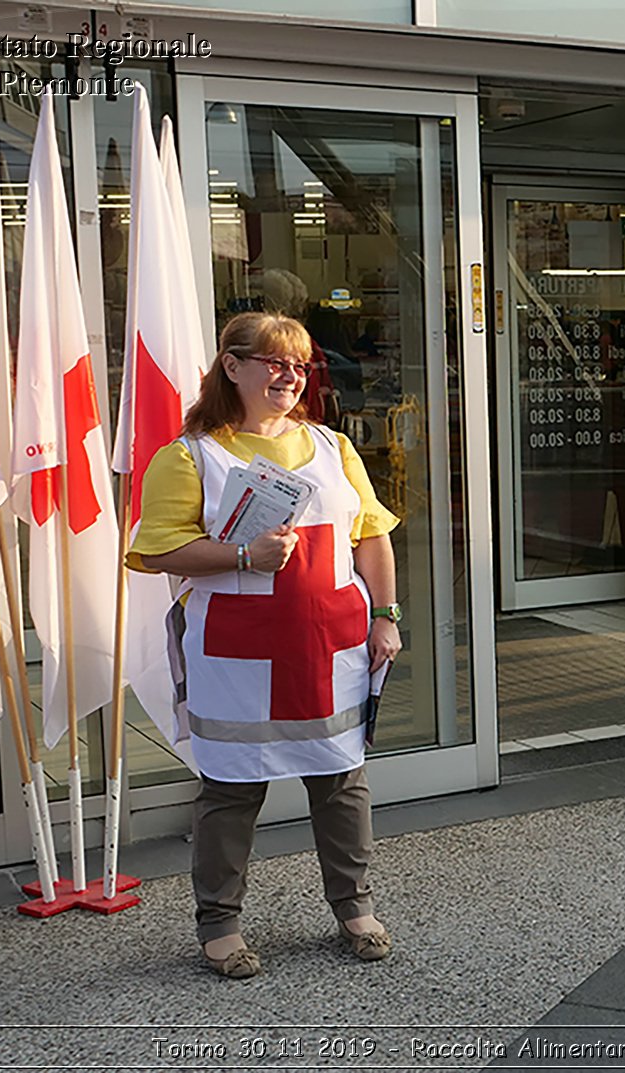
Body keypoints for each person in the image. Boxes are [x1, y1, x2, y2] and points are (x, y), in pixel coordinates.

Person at [128, 311, 402, 978]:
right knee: (230, 790)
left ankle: (354, 908)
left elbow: (370, 535)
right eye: (274, 361)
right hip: (238, 657)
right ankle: (218, 923)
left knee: (341, 782)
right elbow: (160, 547)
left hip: (329, 651)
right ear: (232, 366)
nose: (290, 375)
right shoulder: (190, 455)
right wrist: (243, 556)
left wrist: (386, 616)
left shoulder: (334, 448)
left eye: (299, 364)